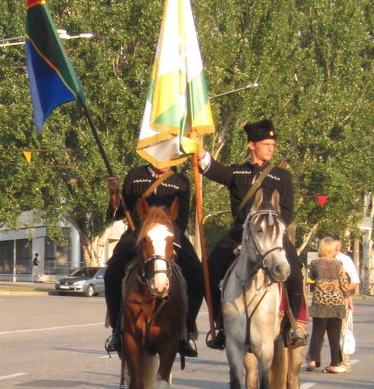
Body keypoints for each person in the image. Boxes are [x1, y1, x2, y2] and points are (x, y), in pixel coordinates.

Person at [197, 119, 307, 350]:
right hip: (241, 235)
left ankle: (292, 325)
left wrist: (274, 232)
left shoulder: (282, 176)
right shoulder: (237, 172)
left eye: (273, 144)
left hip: (273, 237)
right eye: (266, 143)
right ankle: (222, 325)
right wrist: (200, 153)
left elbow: (287, 211)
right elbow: (212, 169)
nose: (270, 148)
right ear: (251, 145)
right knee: (208, 271)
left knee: (295, 272)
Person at [103, 163, 204, 357]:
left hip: (169, 234)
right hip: (137, 234)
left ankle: (186, 331)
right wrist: (114, 193)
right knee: (112, 273)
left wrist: (167, 235)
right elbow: (117, 213)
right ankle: (117, 330)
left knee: (196, 275)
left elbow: (181, 216)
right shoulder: (135, 175)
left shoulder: (179, 180)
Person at [305, 236, 351, 372]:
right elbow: (344, 284)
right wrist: (348, 298)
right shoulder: (338, 264)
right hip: (336, 303)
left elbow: (311, 277)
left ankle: (313, 360)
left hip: (320, 302)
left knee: (317, 334)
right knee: (334, 335)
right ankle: (334, 363)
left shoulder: (315, 263)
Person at [334, 238, 360, 370]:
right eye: (334, 246)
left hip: (341, 299)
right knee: (321, 332)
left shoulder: (344, 260)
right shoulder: (319, 259)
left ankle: (344, 362)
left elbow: (355, 280)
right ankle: (315, 359)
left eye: (339, 246)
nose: (337, 248)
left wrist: (345, 293)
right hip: (323, 301)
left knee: (341, 330)